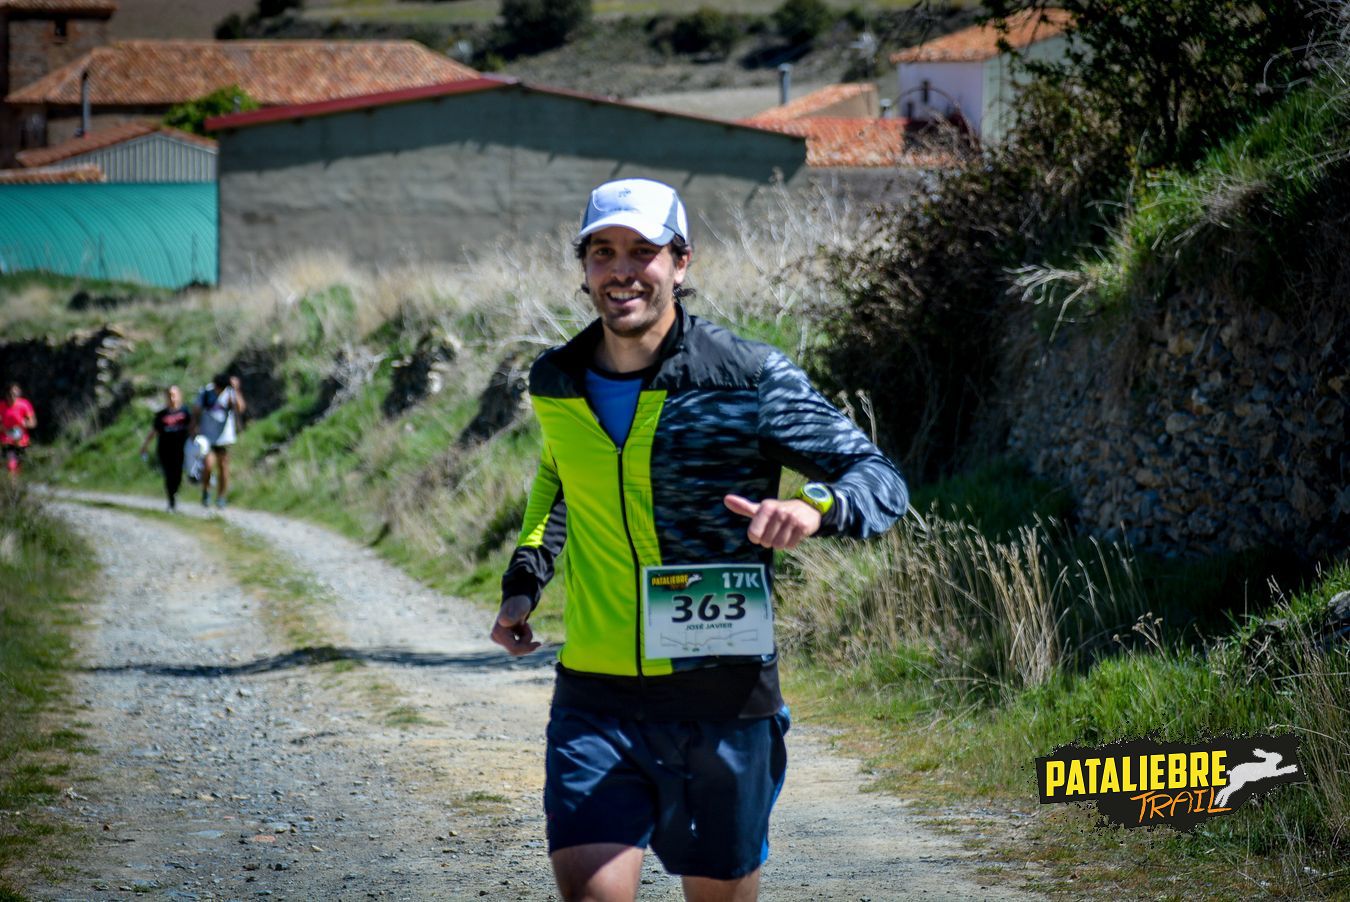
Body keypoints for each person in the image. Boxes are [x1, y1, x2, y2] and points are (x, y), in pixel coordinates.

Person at [490, 178, 908, 901]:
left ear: (681, 262)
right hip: (596, 693)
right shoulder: (555, 380)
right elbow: (560, 485)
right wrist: (523, 586)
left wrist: (815, 507)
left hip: (722, 697)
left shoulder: (747, 378)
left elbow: (877, 476)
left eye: (643, 251)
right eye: (602, 252)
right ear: (584, 266)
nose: (621, 270)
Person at [193, 373, 245, 509]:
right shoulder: (205, 392)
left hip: (224, 438)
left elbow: (240, 408)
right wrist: (194, 429)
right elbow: (196, 411)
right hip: (207, 437)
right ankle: (206, 491)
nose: (219, 390)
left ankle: (221, 497)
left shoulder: (230, 393)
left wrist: (236, 389)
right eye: (218, 388)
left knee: (223, 468)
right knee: (208, 466)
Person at [139, 385, 192, 510]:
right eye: (169, 395)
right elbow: (154, 431)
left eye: (174, 395)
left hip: (181, 448)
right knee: (168, 474)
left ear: (179, 396)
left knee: (177, 474)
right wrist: (145, 445)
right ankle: (171, 500)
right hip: (165, 449)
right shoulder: (161, 414)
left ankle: (175, 492)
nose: (172, 398)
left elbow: (192, 428)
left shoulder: (185, 412)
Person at [0, 382, 37, 481]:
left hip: (21, 441)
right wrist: (2, 428)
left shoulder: (24, 404)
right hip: (6, 441)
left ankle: (15, 489)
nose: (13, 397)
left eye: (16, 394)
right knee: (11, 464)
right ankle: (11, 488)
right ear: (6, 394)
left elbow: (33, 423)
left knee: (18, 467)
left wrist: (25, 423)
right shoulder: (1, 406)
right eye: (10, 394)